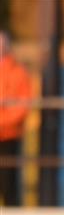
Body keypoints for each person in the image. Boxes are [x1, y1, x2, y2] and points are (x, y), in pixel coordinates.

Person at [0, 31, 32, 206]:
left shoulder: (18, 72)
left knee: (9, 185)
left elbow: (23, 105)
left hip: (8, 136)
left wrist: (3, 121)